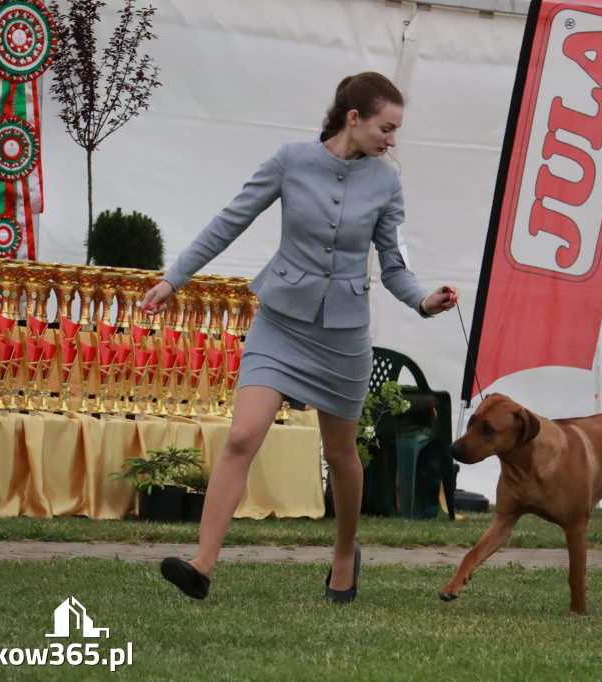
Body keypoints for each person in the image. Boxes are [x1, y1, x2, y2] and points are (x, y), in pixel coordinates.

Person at [141, 72, 459, 603]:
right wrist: (174, 277)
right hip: (281, 323)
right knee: (243, 436)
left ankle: (343, 553)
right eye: (387, 127)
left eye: (396, 129)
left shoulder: (386, 183)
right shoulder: (290, 160)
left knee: (341, 454)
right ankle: (202, 564)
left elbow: (395, 265)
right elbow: (229, 221)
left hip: (343, 336)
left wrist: (423, 301)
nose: (392, 140)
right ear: (353, 118)